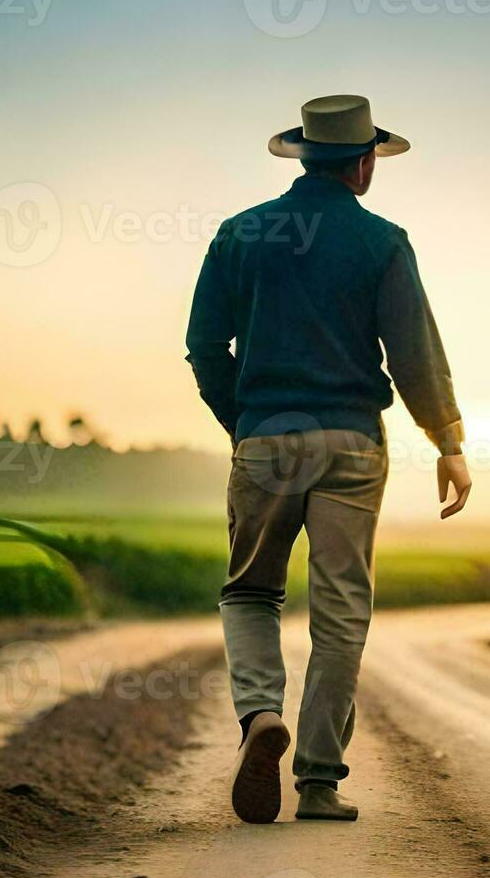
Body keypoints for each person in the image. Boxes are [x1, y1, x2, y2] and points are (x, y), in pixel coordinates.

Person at [185, 94, 471, 824]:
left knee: (251, 593)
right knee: (341, 614)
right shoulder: (383, 242)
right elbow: (414, 356)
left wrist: (242, 422)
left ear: (304, 155)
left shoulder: (239, 235)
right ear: (366, 160)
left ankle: (259, 719)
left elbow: (204, 348)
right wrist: (450, 442)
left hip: (264, 439)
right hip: (351, 442)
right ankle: (318, 782)